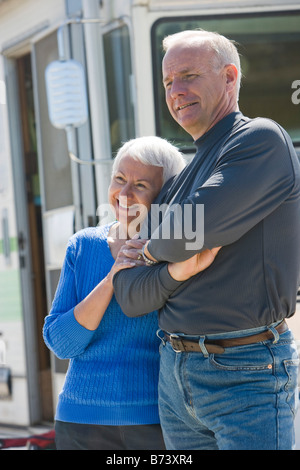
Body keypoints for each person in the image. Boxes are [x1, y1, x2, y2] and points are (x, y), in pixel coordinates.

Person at [113, 30, 300, 450]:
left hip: (246, 373)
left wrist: (149, 249)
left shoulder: (260, 141)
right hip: (175, 377)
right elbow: (129, 294)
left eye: (189, 75)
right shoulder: (183, 178)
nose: (176, 91)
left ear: (230, 77)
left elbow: (190, 231)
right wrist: (176, 269)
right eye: (167, 82)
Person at [43, 136, 187, 450]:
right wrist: (112, 277)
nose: (123, 194)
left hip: (156, 421)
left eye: (140, 185)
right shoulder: (83, 246)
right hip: (80, 422)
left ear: (166, 194)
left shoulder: (179, 251)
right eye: (119, 179)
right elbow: (61, 342)